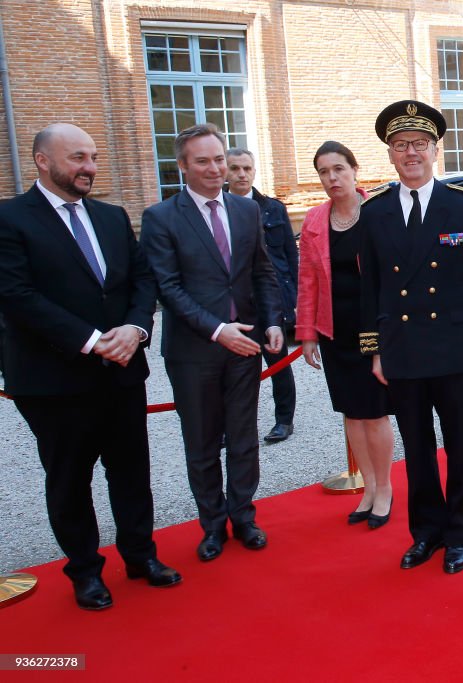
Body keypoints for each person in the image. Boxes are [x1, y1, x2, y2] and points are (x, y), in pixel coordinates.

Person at [0, 123, 181, 610]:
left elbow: (142, 280)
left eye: (94, 157)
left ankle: (141, 557)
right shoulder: (11, 219)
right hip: (54, 381)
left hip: (122, 371)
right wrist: (92, 341)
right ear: (42, 160)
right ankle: (84, 571)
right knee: (69, 480)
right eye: (78, 157)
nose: (89, 167)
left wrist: (136, 329)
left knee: (131, 472)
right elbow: (16, 295)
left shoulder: (111, 215)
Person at [359, 100, 463, 574]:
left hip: (452, 348)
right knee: (416, 447)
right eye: (401, 146)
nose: (411, 153)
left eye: (419, 144)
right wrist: (373, 350)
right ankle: (425, 533)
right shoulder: (375, 213)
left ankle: (459, 533)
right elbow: (370, 287)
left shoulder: (460, 206)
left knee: (459, 447)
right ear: (391, 156)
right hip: (402, 350)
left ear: (436, 151)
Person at [141, 123, 284, 562]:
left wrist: (274, 321)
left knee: (243, 437)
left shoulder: (245, 210)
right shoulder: (161, 218)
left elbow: (261, 271)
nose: (214, 168)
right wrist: (218, 329)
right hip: (194, 352)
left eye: (219, 159)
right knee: (202, 442)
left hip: (246, 344)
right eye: (202, 161)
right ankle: (211, 525)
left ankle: (243, 517)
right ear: (183, 166)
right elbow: (169, 288)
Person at [296, 141, 394, 527]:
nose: (332, 178)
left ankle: (384, 488)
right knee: (352, 414)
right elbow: (307, 281)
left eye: (339, 169)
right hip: (334, 330)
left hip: (373, 330)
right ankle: (367, 489)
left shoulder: (379, 213)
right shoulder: (315, 220)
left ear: (355, 171)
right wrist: (306, 334)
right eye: (324, 172)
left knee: (375, 413)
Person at [226, 148, 298, 444]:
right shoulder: (220, 209)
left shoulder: (273, 208)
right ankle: (235, 426)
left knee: (278, 362)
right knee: (236, 371)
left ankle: (284, 420)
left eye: (247, 168)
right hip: (237, 303)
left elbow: (289, 257)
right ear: (226, 172)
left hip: (272, 299)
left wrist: (296, 300)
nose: (242, 174)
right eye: (235, 169)